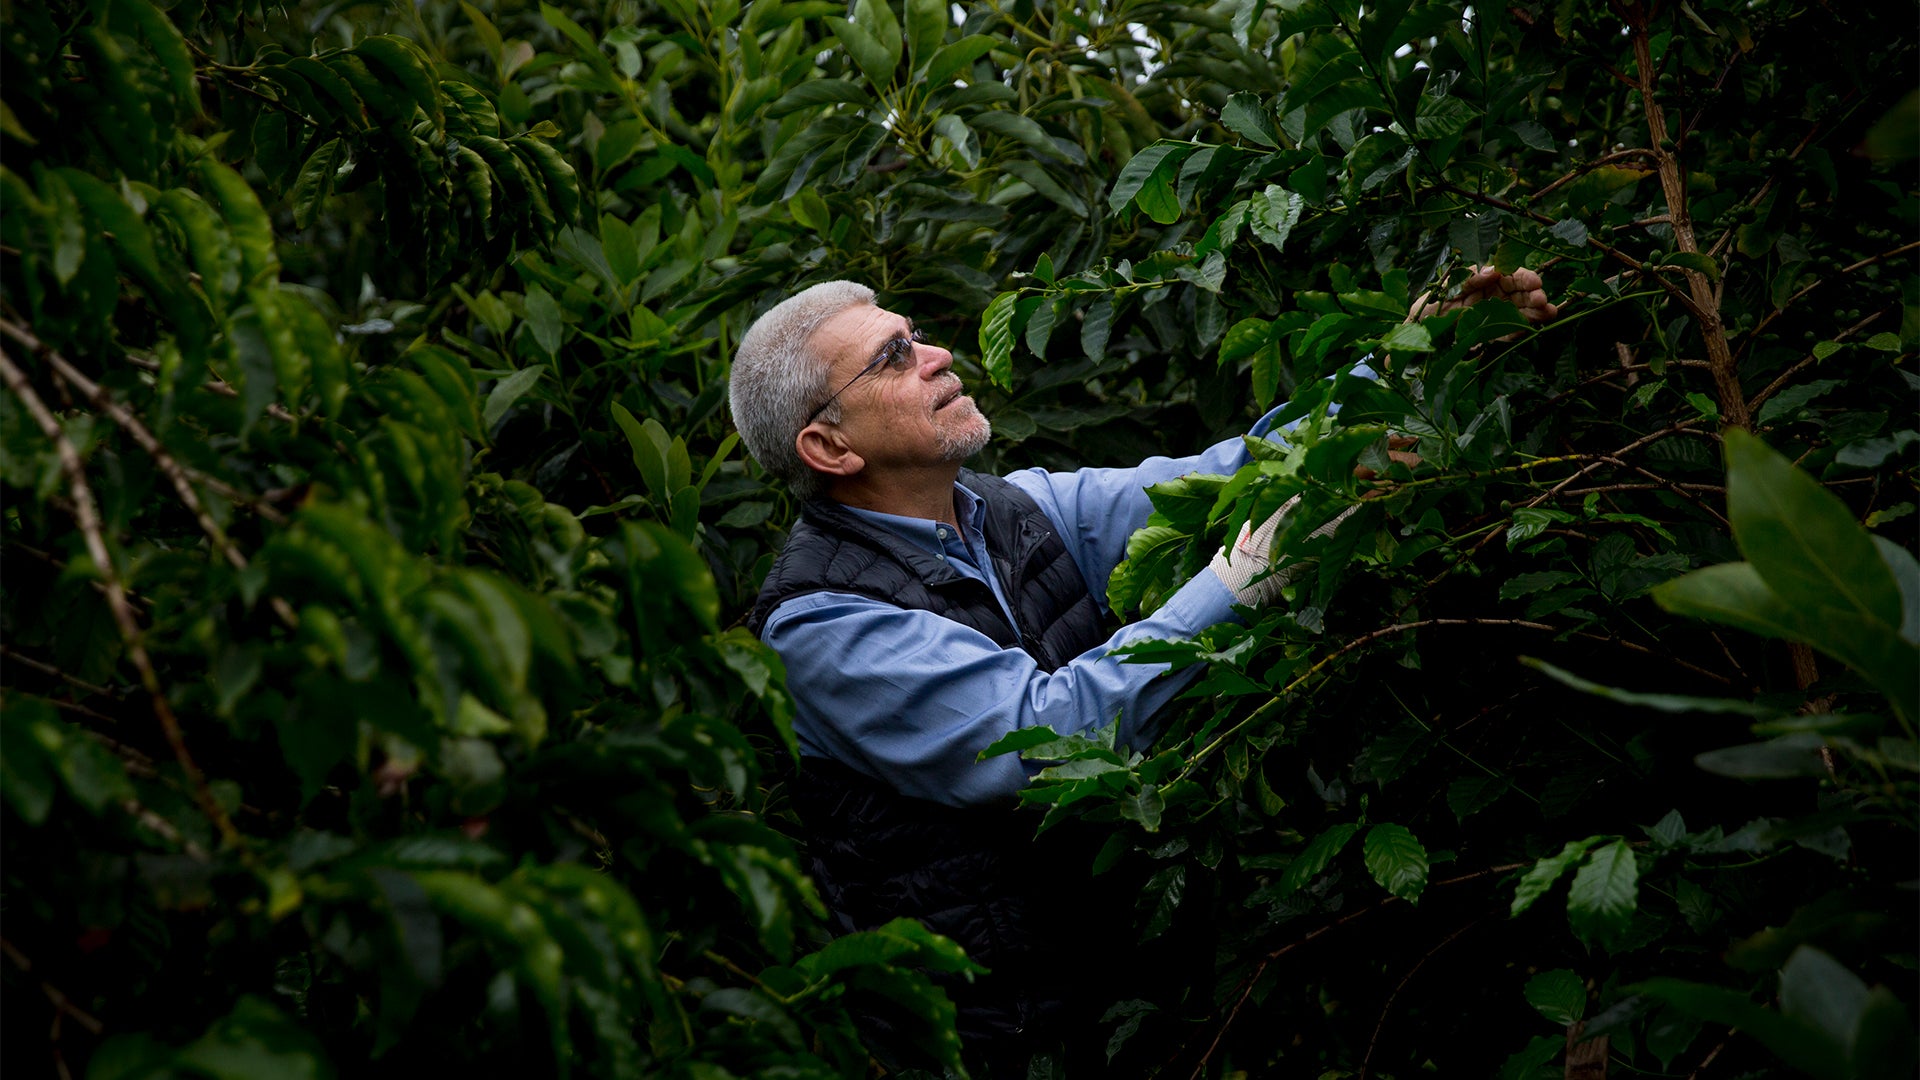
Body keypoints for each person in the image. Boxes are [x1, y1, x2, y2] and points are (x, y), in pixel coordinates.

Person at [727, 269, 1556, 1075]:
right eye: (893, 357)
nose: (938, 357)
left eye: (918, 336)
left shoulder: (1016, 509)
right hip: (997, 1039)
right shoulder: (820, 626)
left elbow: (1226, 475)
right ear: (829, 447)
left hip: (1126, 999)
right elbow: (1047, 738)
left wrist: (1418, 352)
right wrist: (1246, 576)